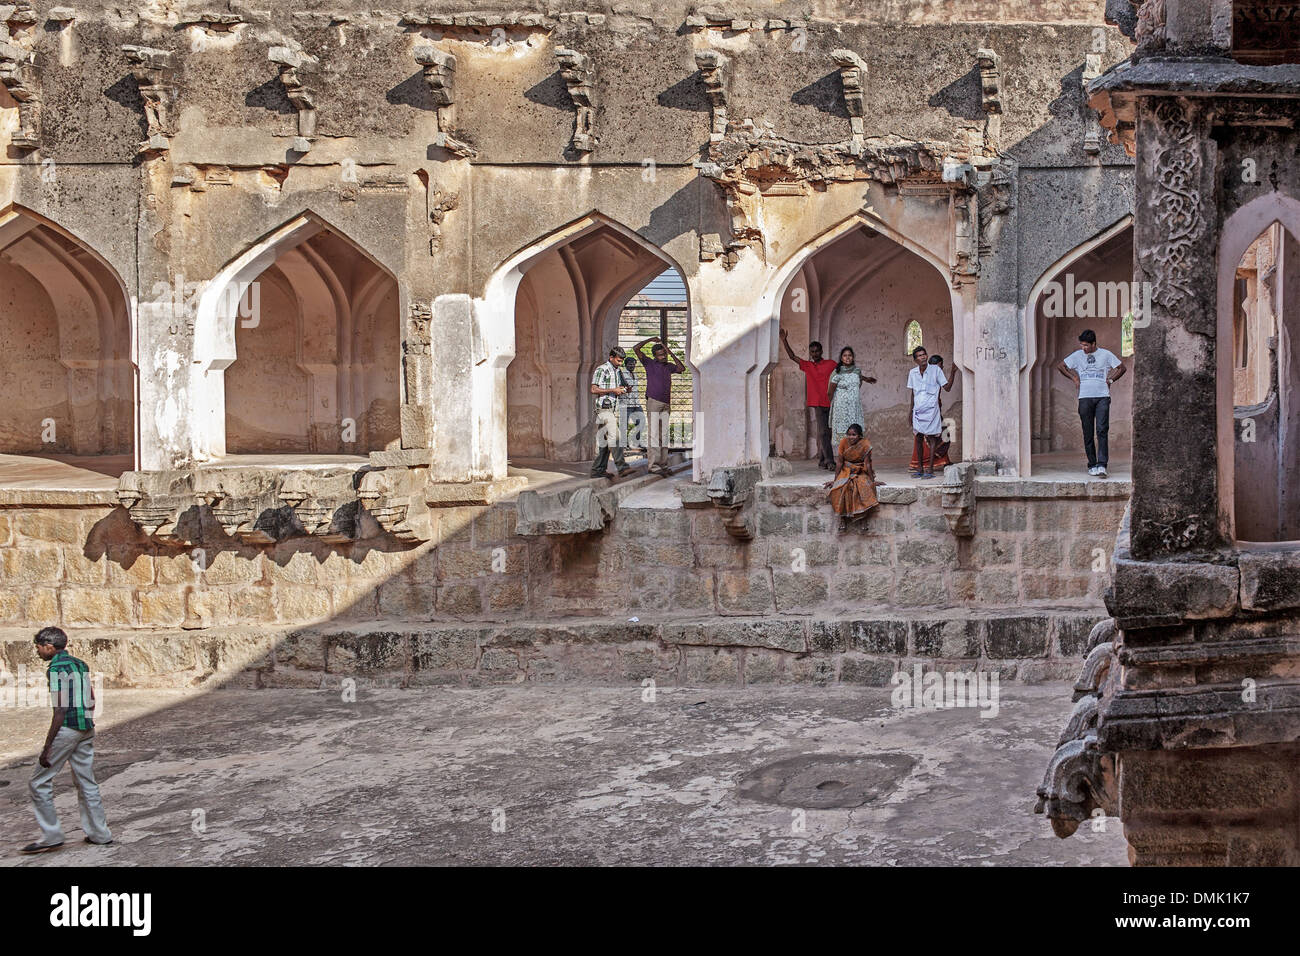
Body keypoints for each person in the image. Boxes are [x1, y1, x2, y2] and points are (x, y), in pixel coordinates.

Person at [22, 626, 112, 854]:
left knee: (39, 782)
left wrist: (47, 746)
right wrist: (87, 721)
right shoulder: (80, 664)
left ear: (49, 647)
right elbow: (91, 696)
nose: (38, 652)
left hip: (67, 729)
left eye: (40, 647)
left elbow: (60, 709)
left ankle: (51, 834)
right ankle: (100, 834)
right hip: (85, 726)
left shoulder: (55, 669)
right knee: (86, 782)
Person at [1057, 329, 1126, 479]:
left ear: (1094, 343)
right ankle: (1092, 464)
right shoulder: (1077, 355)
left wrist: (1110, 380)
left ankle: (1102, 465)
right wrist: (1074, 378)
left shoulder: (1106, 355)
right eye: (1082, 345)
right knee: (1087, 432)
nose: (1084, 348)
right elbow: (1061, 366)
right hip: (1085, 397)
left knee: (1102, 430)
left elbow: (1122, 368)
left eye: (1086, 345)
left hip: (1102, 397)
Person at [780, 329, 839, 470]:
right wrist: (784, 340)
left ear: (821, 351)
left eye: (817, 351)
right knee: (824, 432)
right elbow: (792, 356)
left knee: (828, 432)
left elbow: (845, 371)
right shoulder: (808, 366)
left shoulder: (831, 364)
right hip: (818, 404)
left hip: (831, 402)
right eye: (812, 352)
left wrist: (862, 378)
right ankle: (830, 461)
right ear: (810, 353)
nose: (815, 354)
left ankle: (822, 459)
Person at [634, 336, 686, 475]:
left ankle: (663, 465)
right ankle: (654, 466)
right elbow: (636, 348)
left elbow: (682, 368)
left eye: (664, 354)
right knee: (655, 435)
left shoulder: (669, 366)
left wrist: (670, 351)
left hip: (665, 403)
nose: (663, 356)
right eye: (661, 355)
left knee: (663, 435)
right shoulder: (649, 363)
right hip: (654, 402)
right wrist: (650, 339)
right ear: (655, 356)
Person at [822, 423, 879, 531]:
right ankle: (842, 518)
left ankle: (863, 519)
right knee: (841, 487)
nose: (851, 437)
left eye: (854, 435)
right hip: (845, 470)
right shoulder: (843, 442)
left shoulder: (865, 444)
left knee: (863, 486)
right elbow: (839, 462)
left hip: (860, 470)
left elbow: (867, 464)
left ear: (859, 436)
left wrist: (872, 480)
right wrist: (835, 480)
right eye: (849, 434)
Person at [590, 346, 634, 479]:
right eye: (619, 361)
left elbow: (621, 388)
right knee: (616, 436)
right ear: (611, 357)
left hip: (612, 408)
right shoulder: (602, 369)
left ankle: (598, 470)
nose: (621, 363)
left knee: (604, 443)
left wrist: (625, 390)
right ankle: (622, 468)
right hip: (603, 408)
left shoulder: (617, 371)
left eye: (622, 361)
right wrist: (613, 390)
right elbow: (593, 389)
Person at [909, 353, 956, 473]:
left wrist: (952, 372)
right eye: (938, 366)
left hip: (934, 409)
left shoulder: (937, 375)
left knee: (941, 435)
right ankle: (920, 464)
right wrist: (911, 411)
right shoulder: (923, 374)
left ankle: (938, 461)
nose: (939, 369)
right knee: (925, 437)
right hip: (923, 409)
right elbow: (914, 393)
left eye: (941, 366)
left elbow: (946, 387)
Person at [827, 346, 877, 448]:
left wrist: (867, 379)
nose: (847, 358)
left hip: (854, 408)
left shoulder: (857, 371)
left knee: (855, 432)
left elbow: (858, 381)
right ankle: (844, 459)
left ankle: (855, 459)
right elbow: (830, 392)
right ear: (841, 358)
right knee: (843, 435)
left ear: (853, 357)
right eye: (845, 356)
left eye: (850, 355)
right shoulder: (837, 372)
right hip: (841, 408)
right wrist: (831, 407)